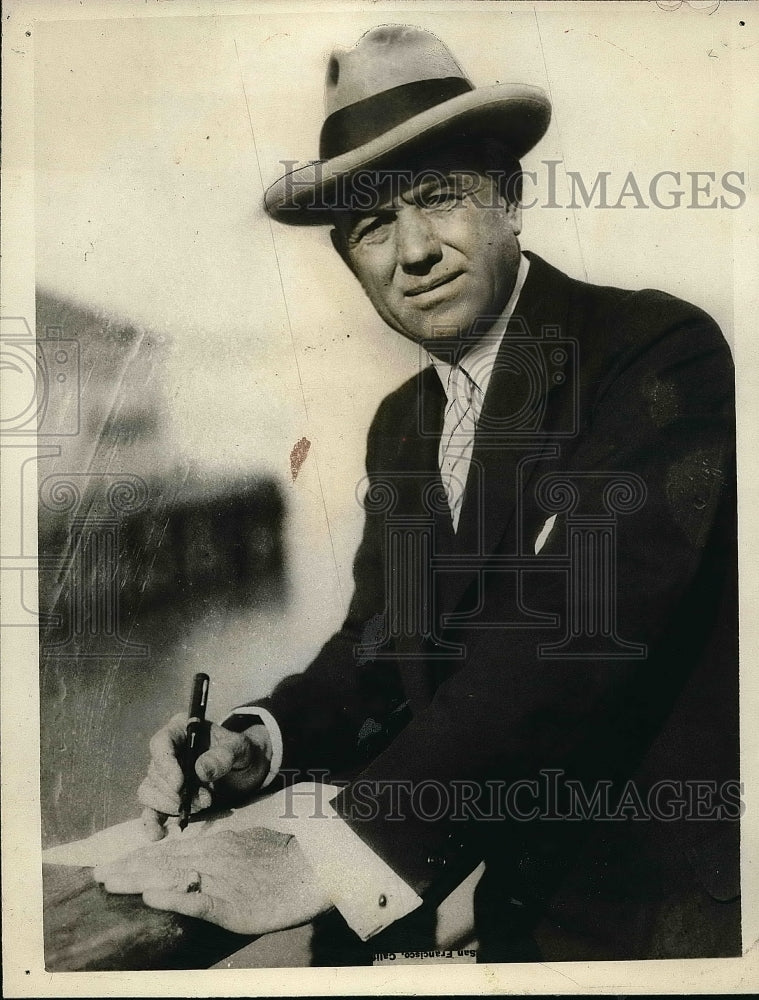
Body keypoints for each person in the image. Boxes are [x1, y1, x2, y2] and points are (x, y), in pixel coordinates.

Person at [95, 25, 740, 962]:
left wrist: (324, 859)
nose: (413, 251)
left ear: (510, 202)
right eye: (369, 226)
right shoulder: (405, 423)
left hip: (656, 933)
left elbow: (561, 644)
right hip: (503, 913)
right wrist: (253, 740)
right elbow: (380, 653)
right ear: (348, 262)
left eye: (438, 199)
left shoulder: (655, 354)